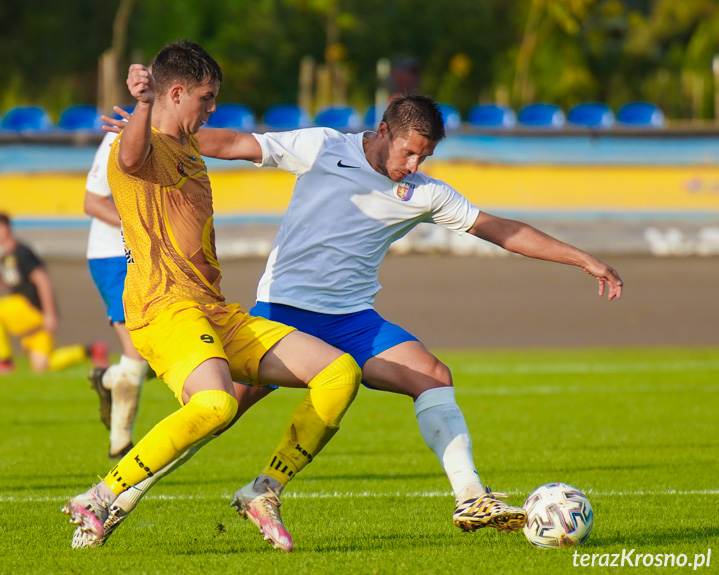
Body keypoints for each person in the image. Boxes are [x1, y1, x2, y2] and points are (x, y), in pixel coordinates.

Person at [96, 95, 624, 540]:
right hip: (283, 311)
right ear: (384, 132)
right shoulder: (325, 146)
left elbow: (498, 229)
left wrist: (582, 258)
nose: (415, 165)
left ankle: (470, 497)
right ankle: (119, 498)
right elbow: (236, 144)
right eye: (410, 152)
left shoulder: (424, 193)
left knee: (433, 376)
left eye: (426, 156)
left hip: (351, 319)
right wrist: (160, 136)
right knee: (218, 411)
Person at [61, 41, 362, 554]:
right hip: (164, 308)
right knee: (217, 404)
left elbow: (244, 142)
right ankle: (101, 494)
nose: (213, 106)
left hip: (213, 308)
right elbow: (130, 158)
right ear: (176, 92)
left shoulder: (191, 145)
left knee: (340, 374)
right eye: (207, 96)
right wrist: (143, 102)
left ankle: (264, 491)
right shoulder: (140, 143)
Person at [84, 130, 151, 459]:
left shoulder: (181, 135)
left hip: (157, 255)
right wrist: (135, 227)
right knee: (137, 350)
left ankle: (109, 378)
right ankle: (120, 442)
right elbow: (93, 201)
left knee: (160, 349)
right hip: (113, 256)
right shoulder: (119, 135)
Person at [0, 212, 109, 374]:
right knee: (42, 365)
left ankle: (4, 361)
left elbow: (42, 280)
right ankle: (91, 350)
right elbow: (19, 286)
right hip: (36, 312)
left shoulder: (21, 252)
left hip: (34, 309)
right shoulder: (8, 255)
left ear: (4, 228)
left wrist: (50, 314)